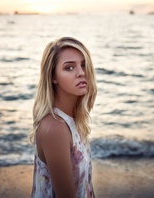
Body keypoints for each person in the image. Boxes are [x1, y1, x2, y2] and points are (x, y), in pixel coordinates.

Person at [30, 37, 97, 198]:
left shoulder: (74, 121)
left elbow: (86, 186)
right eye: (69, 68)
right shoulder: (54, 128)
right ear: (53, 77)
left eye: (83, 65)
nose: (81, 73)